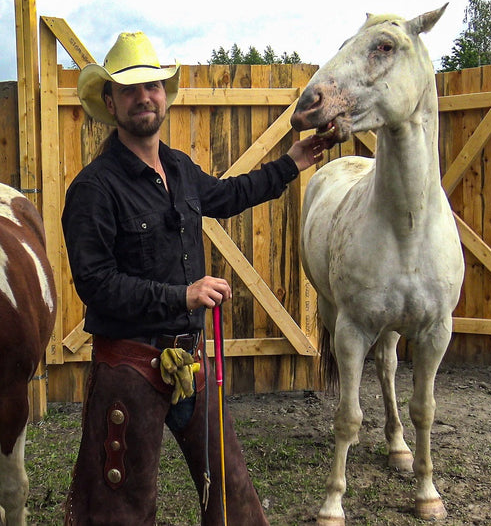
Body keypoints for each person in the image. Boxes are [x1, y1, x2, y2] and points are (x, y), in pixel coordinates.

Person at [62, 31, 331, 526]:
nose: (144, 97)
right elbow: (96, 284)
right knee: (120, 511)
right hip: (127, 370)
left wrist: (293, 162)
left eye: (154, 86)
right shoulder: (93, 189)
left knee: (234, 498)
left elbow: (229, 195)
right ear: (110, 102)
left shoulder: (179, 169)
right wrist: (181, 295)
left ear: (165, 95)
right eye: (129, 89)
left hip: (191, 363)